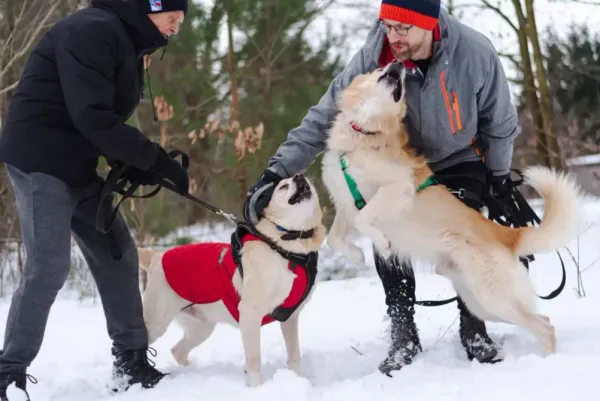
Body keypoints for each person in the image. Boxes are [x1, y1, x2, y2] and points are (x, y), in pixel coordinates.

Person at [243, 0, 518, 376]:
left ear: (429, 23)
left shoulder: (474, 52)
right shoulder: (374, 57)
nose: (393, 37)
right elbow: (325, 114)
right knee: (384, 224)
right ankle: (403, 329)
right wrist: (276, 171)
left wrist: (499, 176)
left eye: (403, 28)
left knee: (462, 229)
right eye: (387, 26)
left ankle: (473, 325)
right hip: (397, 156)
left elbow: (500, 121)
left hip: (458, 158)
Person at [0, 0, 191, 398]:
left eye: (182, 18)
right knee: (49, 267)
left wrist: (133, 163)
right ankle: (8, 372)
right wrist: (151, 158)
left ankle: (131, 361)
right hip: (39, 159)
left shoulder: (128, 41)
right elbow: (90, 115)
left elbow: (100, 119)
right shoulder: (93, 31)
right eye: (171, 14)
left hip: (75, 162)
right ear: (148, 7)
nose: (177, 25)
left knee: (117, 252)